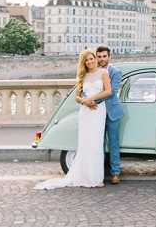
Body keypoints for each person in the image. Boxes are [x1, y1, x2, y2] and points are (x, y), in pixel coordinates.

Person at [34, 50, 111, 189]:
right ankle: (85, 175)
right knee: (85, 143)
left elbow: (108, 91)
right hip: (86, 111)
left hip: (98, 110)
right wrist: (85, 101)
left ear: (95, 59)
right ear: (84, 62)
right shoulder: (83, 76)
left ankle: (95, 177)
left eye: (91, 59)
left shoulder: (103, 73)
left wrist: (91, 99)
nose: (90, 61)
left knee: (96, 143)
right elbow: (77, 96)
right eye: (86, 60)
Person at [92, 45, 124, 184]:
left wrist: (93, 99)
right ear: (96, 57)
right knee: (98, 143)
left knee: (113, 143)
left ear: (109, 57)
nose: (102, 59)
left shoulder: (115, 71)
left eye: (104, 56)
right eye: (99, 56)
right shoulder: (92, 72)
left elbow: (113, 91)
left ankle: (115, 172)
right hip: (96, 112)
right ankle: (98, 171)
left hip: (112, 112)